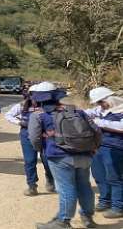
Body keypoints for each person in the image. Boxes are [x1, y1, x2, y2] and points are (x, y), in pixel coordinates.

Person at [28, 82, 100, 229]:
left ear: (39, 99)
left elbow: (34, 138)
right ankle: (88, 218)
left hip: (59, 157)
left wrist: (43, 149)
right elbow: (96, 131)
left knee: (66, 188)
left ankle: (63, 221)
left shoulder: (38, 115)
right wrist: (93, 148)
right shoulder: (77, 111)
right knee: (85, 186)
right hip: (84, 155)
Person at [5, 89, 56, 196]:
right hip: (27, 137)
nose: (36, 100)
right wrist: (19, 122)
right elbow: (8, 115)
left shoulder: (48, 106)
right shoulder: (22, 106)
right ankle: (32, 186)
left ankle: (50, 180)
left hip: (45, 137)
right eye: (34, 97)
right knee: (30, 161)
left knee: (48, 160)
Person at [85, 86, 123, 219]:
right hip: (99, 147)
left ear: (109, 99)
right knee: (99, 175)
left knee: (115, 177)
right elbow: (87, 113)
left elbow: (121, 127)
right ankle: (105, 200)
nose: (99, 105)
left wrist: (99, 122)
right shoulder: (101, 110)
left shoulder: (121, 110)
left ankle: (118, 206)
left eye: (101, 102)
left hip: (116, 148)